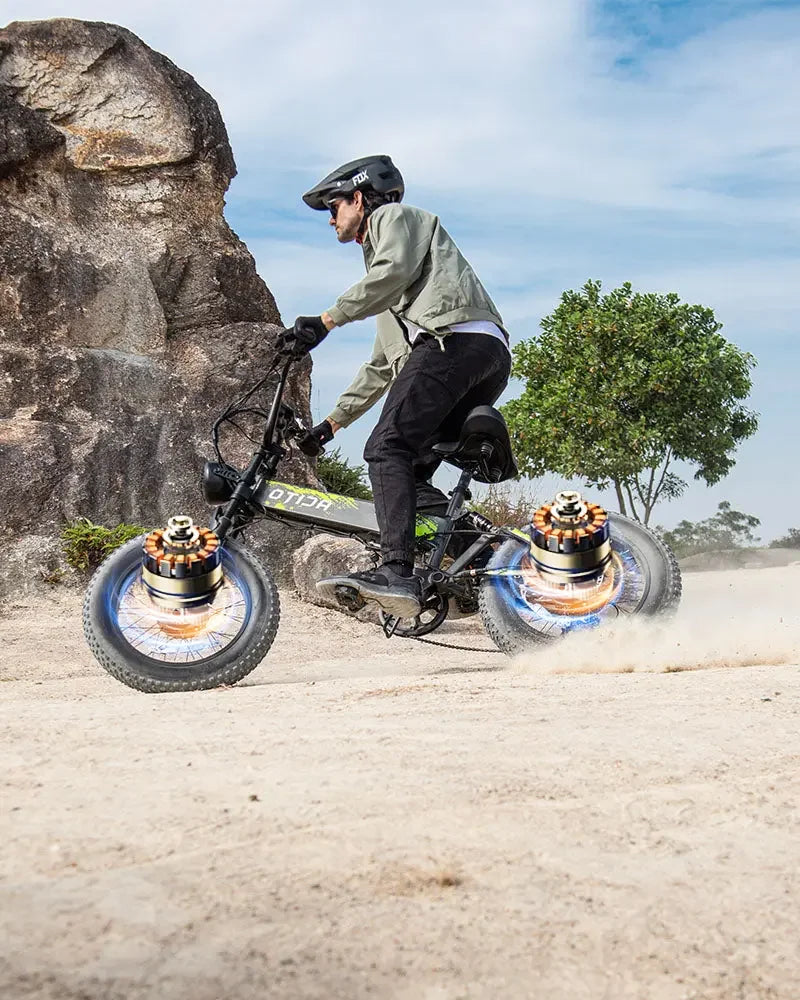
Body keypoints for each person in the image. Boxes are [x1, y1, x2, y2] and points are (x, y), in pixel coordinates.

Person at [281, 155, 511, 618]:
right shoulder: (401, 295)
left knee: (386, 449)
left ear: (360, 198)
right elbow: (383, 366)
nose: (330, 219)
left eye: (334, 206)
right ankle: (491, 558)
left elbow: (388, 273)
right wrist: (329, 426)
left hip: (456, 341)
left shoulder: (394, 219)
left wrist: (325, 321)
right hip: (480, 354)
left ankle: (396, 571)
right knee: (408, 473)